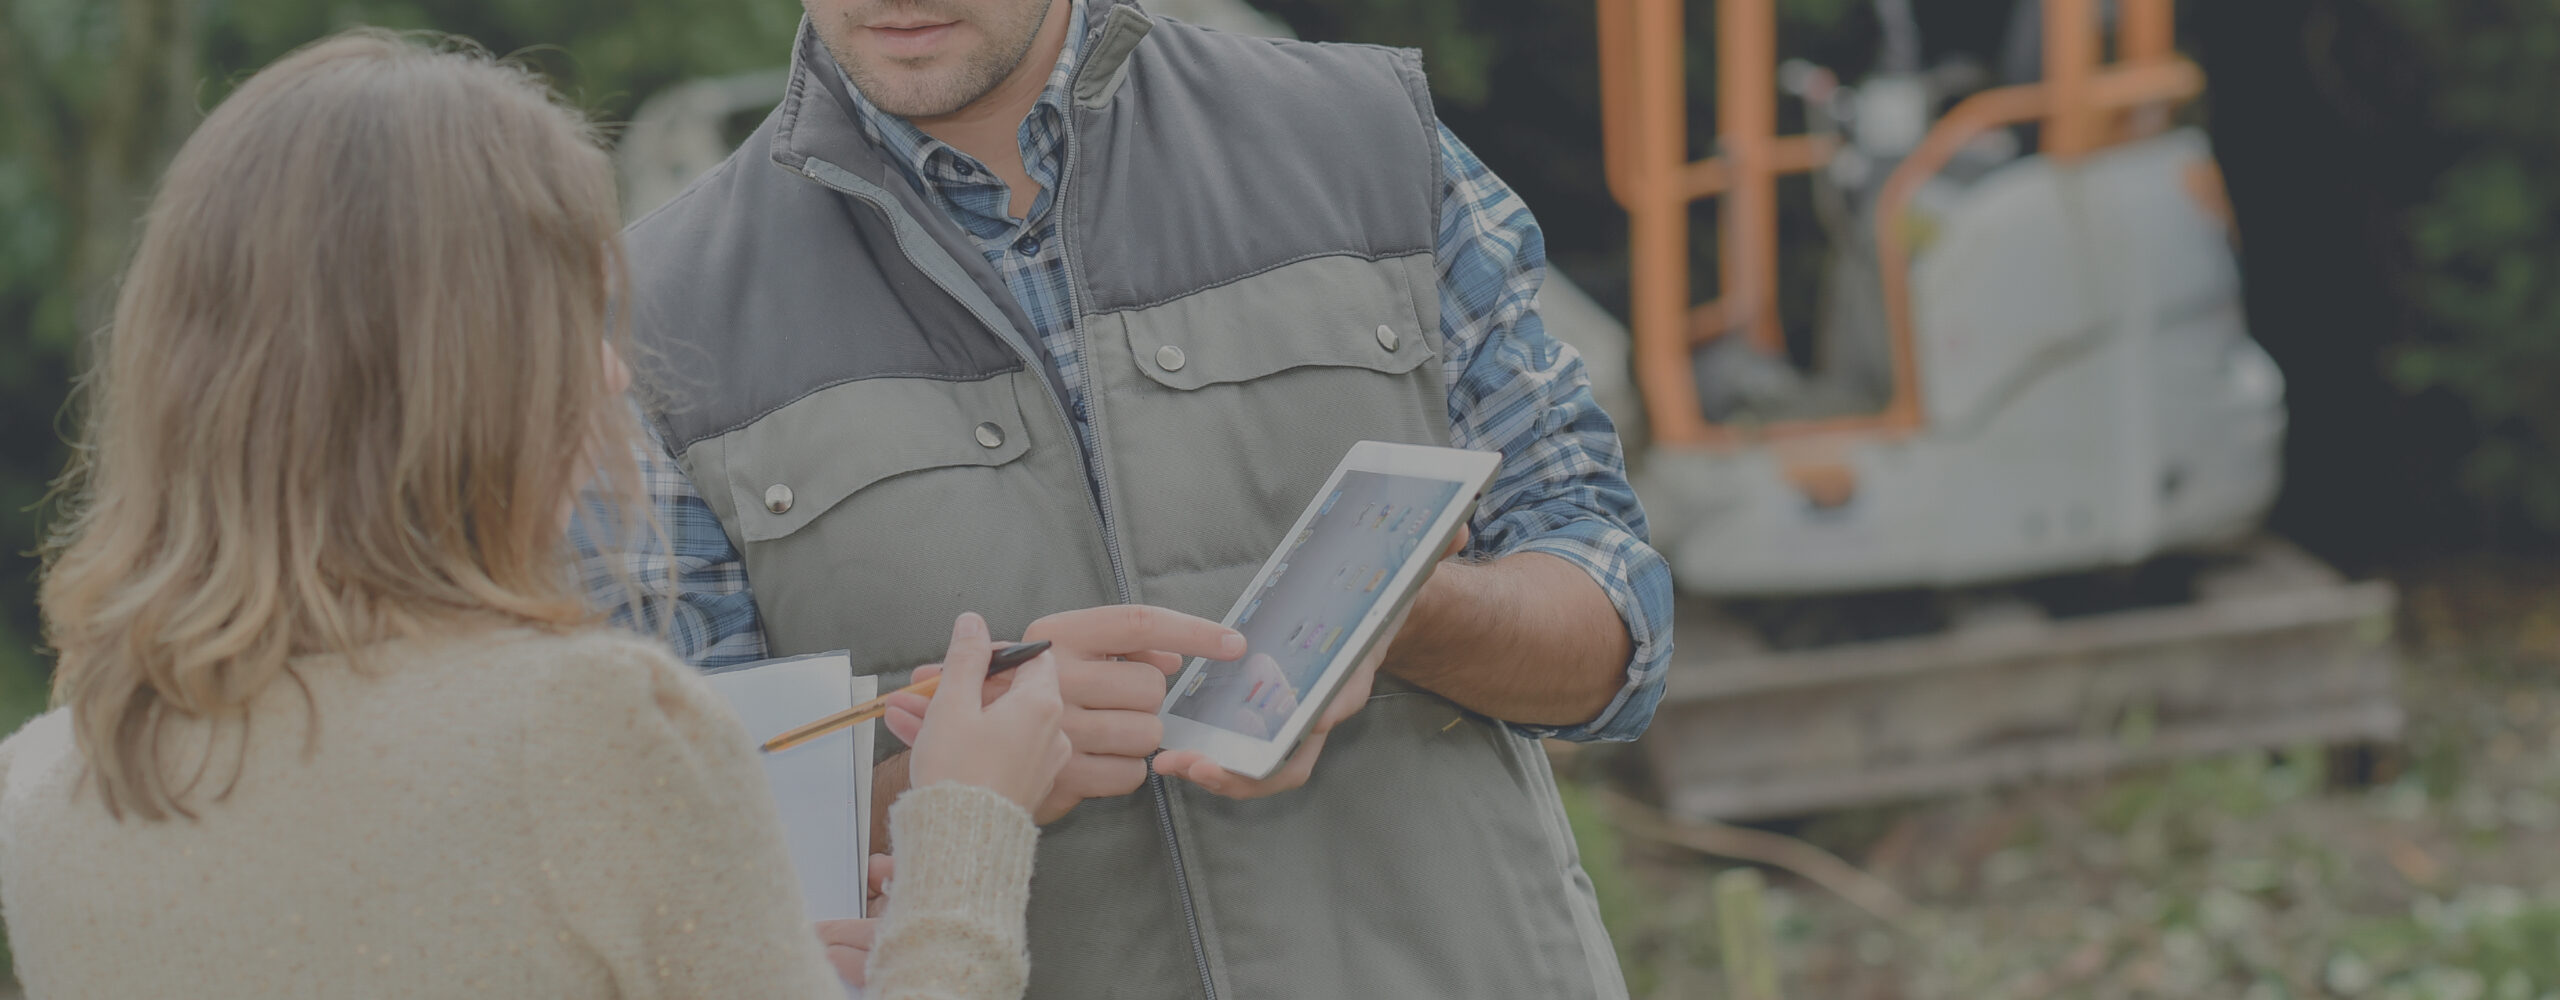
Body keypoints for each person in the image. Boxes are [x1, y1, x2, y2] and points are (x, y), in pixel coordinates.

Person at [600, 0, 1678, 995]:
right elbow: (666, 875)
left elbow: (1619, 634)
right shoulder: (646, 327)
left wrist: (1403, 612)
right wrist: (957, 793)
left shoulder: (1369, 142)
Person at [0, 32, 1072, 1000]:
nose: (611, 374)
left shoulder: (46, 789)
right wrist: (965, 826)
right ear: (453, 380)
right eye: (562, 324)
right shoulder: (596, 733)